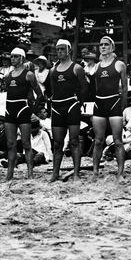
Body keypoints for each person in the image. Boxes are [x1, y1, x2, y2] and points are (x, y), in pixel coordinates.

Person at [49, 39, 88, 182]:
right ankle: (55, 173)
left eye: (62, 49)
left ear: (69, 50)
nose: (59, 52)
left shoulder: (76, 68)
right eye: (57, 49)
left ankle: (76, 173)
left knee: (74, 141)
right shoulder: (53, 70)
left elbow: (84, 88)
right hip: (57, 107)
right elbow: (53, 90)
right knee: (57, 143)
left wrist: (80, 103)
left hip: (71, 106)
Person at [3, 47, 43, 180]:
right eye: (11, 56)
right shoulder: (7, 76)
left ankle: (30, 172)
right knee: (10, 144)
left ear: (22, 58)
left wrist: (32, 110)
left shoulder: (28, 74)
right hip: (10, 110)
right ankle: (10, 172)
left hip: (23, 110)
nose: (12, 59)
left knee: (26, 143)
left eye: (15, 56)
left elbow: (40, 94)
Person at [91, 36, 127, 181]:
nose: (103, 47)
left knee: (117, 140)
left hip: (114, 103)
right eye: (101, 44)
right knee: (98, 140)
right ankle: (95, 172)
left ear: (112, 47)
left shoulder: (119, 64)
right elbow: (96, 87)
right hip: (99, 103)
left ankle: (120, 172)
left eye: (106, 44)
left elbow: (124, 88)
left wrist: (122, 107)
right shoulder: (97, 66)